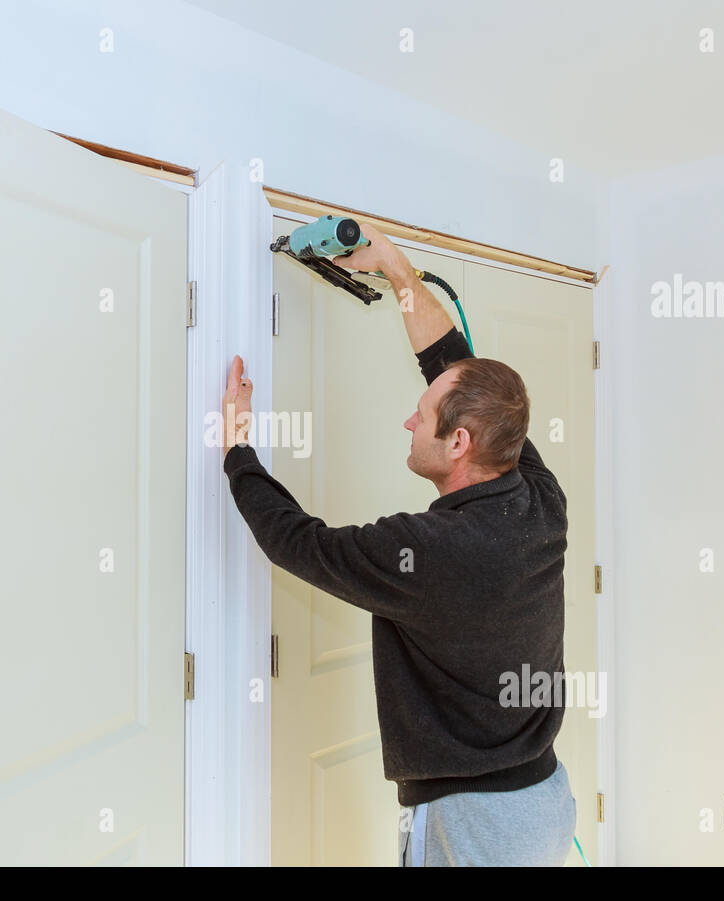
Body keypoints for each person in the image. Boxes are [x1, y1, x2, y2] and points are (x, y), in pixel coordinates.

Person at [221, 221, 577, 866]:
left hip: (475, 823)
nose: (410, 420)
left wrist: (237, 449)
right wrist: (395, 269)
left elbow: (296, 543)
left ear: (460, 443)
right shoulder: (538, 498)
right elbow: (451, 364)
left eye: (423, 414)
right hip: (542, 800)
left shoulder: (429, 551)